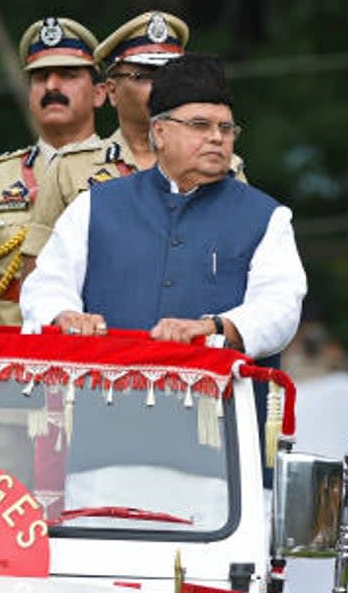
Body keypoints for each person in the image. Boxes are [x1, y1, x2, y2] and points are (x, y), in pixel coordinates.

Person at [19, 52, 306, 362]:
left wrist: (215, 328)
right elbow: (45, 284)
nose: (216, 137)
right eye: (200, 125)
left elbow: (280, 307)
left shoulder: (266, 217)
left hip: (222, 402)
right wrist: (65, 315)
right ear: (160, 132)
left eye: (226, 129)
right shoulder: (93, 206)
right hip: (104, 399)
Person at [0, 16, 107, 326]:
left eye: (68, 75)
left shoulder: (124, 173)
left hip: (92, 345)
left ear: (100, 93)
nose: (52, 86)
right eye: (40, 78)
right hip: (5, 352)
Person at [31, 11, 250, 238]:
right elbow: (38, 265)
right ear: (112, 92)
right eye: (144, 76)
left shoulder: (223, 166)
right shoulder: (69, 169)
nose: (163, 86)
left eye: (171, 75)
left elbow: (243, 249)